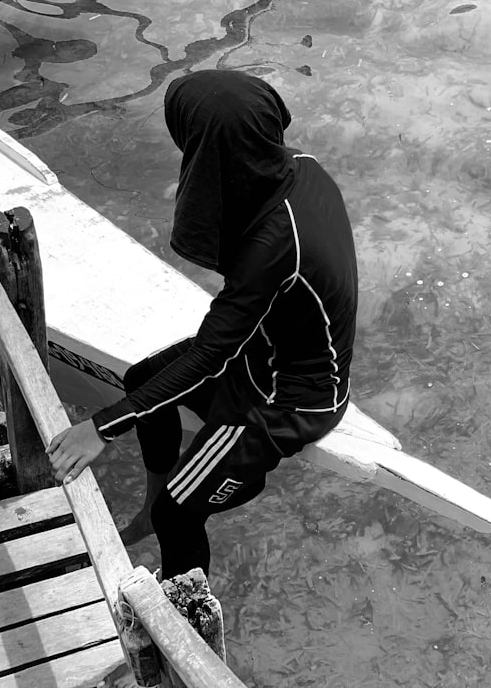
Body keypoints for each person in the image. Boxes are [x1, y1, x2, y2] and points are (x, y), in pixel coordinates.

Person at [47, 69, 358, 578]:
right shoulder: (301, 168)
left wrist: (101, 428)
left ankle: (181, 618)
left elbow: (211, 355)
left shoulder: (269, 251)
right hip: (265, 351)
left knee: (180, 511)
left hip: (289, 400)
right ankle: (152, 504)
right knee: (141, 380)